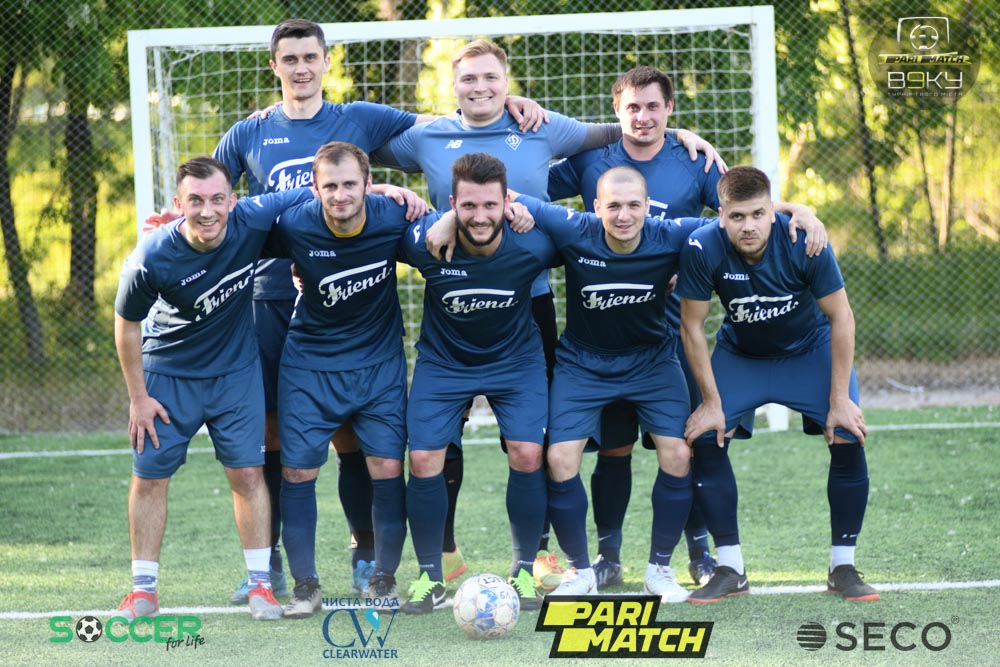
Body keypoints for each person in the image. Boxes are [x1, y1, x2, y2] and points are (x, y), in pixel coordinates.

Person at [207, 19, 546, 604]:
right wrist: (178, 231)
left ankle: (369, 559)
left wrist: (497, 106)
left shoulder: (359, 119)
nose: (301, 68)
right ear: (275, 66)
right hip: (276, 303)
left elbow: (441, 131)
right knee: (275, 444)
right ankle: (270, 568)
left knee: (360, 448)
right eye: (290, 59)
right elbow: (218, 202)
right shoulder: (250, 132)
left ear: (326, 61)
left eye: (310, 57)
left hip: (364, 326)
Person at [376, 40, 723, 589]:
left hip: (530, 300)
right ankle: (440, 559)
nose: (481, 87)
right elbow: (354, 160)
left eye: (491, 77)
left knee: (530, 447)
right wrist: (402, 196)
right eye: (469, 78)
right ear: (453, 84)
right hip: (454, 303)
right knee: (437, 449)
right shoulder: (428, 136)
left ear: (507, 79)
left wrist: (675, 135)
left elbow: (619, 132)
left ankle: (534, 560)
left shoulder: (542, 128)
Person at [547, 66, 826, 590]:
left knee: (690, 441)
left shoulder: (695, 161)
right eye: (633, 107)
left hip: (674, 331)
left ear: (670, 108)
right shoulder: (589, 160)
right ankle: (606, 557)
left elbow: (740, 212)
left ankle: (699, 552)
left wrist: (798, 209)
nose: (643, 117)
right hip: (604, 328)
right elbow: (528, 186)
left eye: (654, 107)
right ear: (616, 110)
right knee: (614, 448)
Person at [113, 156, 313, 622]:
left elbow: (319, 191)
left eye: (217, 199)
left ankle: (261, 586)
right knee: (150, 476)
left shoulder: (253, 218)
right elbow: (126, 326)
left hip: (234, 374)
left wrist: (386, 191)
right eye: (196, 201)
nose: (208, 211)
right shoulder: (152, 255)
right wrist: (138, 398)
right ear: (178, 203)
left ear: (233, 201)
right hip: (169, 375)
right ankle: (142, 592)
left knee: (248, 475)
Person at [516, 166, 718, 601]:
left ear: (647, 208)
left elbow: (736, 218)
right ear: (596, 207)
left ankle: (659, 571)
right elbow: (503, 195)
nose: (623, 216)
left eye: (632, 206)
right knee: (560, 458)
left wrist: (797, 213)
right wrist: (448, 218)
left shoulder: (672, 234)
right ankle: (580, 571)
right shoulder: (574, 229)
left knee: (679, 453)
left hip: (652, 361)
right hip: (582, 364)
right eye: (613, 206)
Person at [676, 165, 876, 603]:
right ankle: (731, 568)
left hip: (808, 351)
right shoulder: (702, 246)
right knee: (706, 436)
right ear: (721, 216)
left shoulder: (805, 240)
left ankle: (842, 566)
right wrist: (710, 401)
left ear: (773, 212)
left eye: (757, 214)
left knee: (848, 433)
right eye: (737, 216)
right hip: (742, 355)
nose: (748, 226)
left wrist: (839, 399)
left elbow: (841, 317)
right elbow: (691, 327)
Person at [265, 142, 443, 617]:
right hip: (309, 365)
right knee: (297, 472)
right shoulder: (295, 225)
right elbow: (233, 236)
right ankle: (305, 586)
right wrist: (177, 229)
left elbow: (445, 237)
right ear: (314, 188)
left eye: (349, 184)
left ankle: (383, 578)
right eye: (330, 186)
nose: (340, 195)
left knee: (386, 468)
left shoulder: (393, 217)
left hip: (378, 365)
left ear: (368, 184)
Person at [395, 152, 559, 614]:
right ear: (452, 205)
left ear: (507, 202)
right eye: (468, 206)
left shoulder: (534, 243)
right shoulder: (426, 242)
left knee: (528, 453)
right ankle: (431, 577)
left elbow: (596, 240)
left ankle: (524, 572)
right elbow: (360, 221)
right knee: (422, 458)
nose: (480, 216)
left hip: (516, 362)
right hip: (445, 363)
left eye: (490, 205)